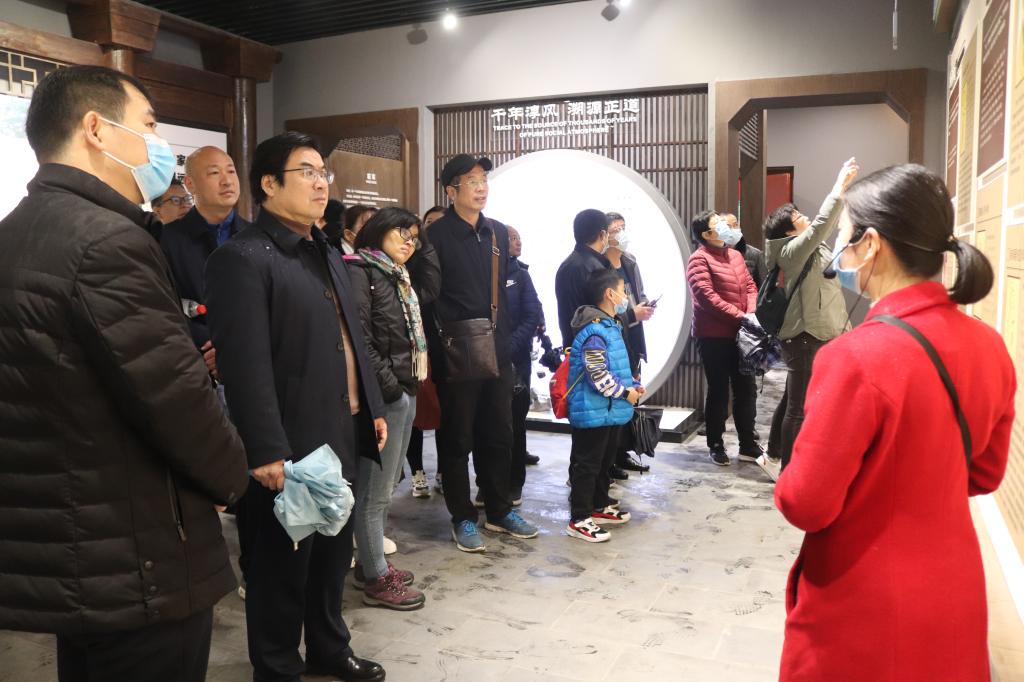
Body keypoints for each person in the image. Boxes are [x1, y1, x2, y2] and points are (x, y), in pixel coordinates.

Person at [0, 65, 248, 682]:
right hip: (137, 547)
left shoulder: (16, 231)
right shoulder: (106, 241)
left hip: (69, 539)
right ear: (96, 129)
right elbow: (176, 400)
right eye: (149, 126)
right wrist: (231, 477)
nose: (159, 145)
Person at [775, 164, 1013, 680]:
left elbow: (805, 502)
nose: (840, 256)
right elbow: (985, 474)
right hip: (955, 586)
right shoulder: (990, 346)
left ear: (871, 244)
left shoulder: (855, 356)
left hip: (865, 603)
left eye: (845, 238)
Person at [205, 131, 387, 682]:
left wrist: (371, 408)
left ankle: (330, 649)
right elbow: (245, 362)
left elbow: (351, 336)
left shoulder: (324, 250)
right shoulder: (242, 258)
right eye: (305, 171)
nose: (320, 182)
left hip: (341, 426)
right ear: (268, 183)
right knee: (281, 565)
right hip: (288, 442)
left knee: (332, 557)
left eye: (322, 172)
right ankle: (278, 665)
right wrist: (264, 448)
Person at [428, 153, 539, 552]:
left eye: (483, 181)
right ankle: (462, 516)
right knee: (457, 437)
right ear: (451, 190)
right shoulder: (435, 236)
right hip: (456, 351)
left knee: (499, 433)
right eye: (472, 181)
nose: (481, 188)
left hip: (497, 350)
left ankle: (498, 509)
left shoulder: (496, 233)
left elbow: (505, 295)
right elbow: (429, 299)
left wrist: (507, 344)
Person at [346, 207, 439, 610]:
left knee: (384, 488)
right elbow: (360, 340)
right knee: (374, 490)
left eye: (414, 237)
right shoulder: (360, 270)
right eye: (402, 232)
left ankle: (371, 564)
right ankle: (376, 578)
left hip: (405, 386)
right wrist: (391, 390)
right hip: (386, 394)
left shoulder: (397, 275)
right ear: (378, 231)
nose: (409, 242)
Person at [763, 158, 859, 470]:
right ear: (790, 231)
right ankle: (790, 471)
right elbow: (821, 225)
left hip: (819, 332)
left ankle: (773, 454)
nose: (805, 217)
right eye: (799, 217)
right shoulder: (790, 251)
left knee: (792, 399)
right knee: (798, 408)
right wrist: (839, 185)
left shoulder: (813, 250)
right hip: (805, 337)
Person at [565, 269, 641, 543]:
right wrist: (625, 393)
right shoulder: (594, 330)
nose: (625, 296)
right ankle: (579, 518)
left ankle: (598, 506)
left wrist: (633, 383)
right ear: (610, 294)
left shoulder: (610, 325)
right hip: (593, 409)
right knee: (587, 465)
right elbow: (597, 374)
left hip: (607, 410)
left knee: (602, 462)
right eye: (623, 290)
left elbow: (614, 368)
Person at [686, 210, 763, 468]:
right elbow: (707, 298)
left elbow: (750, 286)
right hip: (713, 336)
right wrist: (742, 316)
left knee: (746, 389)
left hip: (741, 333)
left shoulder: (735, 255)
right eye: (717, 223)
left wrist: (750, 312)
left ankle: (747, 444)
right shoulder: (698, 260)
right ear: (707, 234)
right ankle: (716, 444)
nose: (724, 226)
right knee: (719, 390)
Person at [160, 146, 250, 363]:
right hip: (193, 359)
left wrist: (239, 347)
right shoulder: (168, 240)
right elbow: (162, 306)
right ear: (190, 184)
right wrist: (211, 345)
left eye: (231, 171)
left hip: (250, 355)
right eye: (214, 173)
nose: (227, 181)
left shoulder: (257, 238)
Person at [475, 225, 542, 507]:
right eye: (510, 238)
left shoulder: (521, 275)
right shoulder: (478, 272)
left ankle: (514, 482)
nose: (515, 242)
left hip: (515, 360)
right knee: (482, 423)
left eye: (515, 238)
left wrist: (507, 347)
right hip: (481, 358)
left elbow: (531, 315)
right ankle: (485, 483)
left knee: (514, 421)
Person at [604, 211, 655, 475]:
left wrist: (643, 307)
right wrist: (632, 314)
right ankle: (607, 460)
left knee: (630, 395)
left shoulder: (630, 261)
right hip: (611, 337)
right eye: (616, 229)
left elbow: (638, 293)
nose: (622, 234)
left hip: (632, 337)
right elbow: (603, 309)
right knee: (612, 396)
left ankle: (622, 453)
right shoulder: (600, 265)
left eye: (624, 228)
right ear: (604, 234)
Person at [406, 204, 447, 498]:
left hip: (442, 344)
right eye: (428, 222)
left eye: (438, 223)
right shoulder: (412, 258)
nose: (432, 228)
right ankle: (417, 472)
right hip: (415, 345)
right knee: (415, 414)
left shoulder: (447, 259)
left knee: (444, 411)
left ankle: (444, 470)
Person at [720, 213, 767, 286]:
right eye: (728, 226)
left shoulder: (755, 254)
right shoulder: (715, 254)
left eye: (736, 225)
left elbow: (763, 284)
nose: (733, 229)